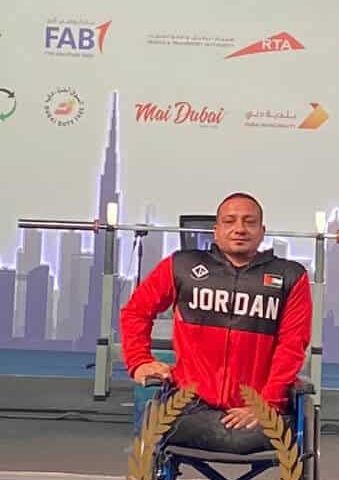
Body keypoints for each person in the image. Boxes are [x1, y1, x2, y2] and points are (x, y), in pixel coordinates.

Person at [120, 192, 312, 453]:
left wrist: (266, 404)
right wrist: (139, 361)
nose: (239, 229)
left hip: (258, 408)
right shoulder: (181, 265)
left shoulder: (290, 276)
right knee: (160, 422)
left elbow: (292, 345)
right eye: (229, 221)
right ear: (216, 231)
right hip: (190, 405)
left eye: (249, 222)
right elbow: (135, 312)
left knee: (240, 437)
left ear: (262, 231)